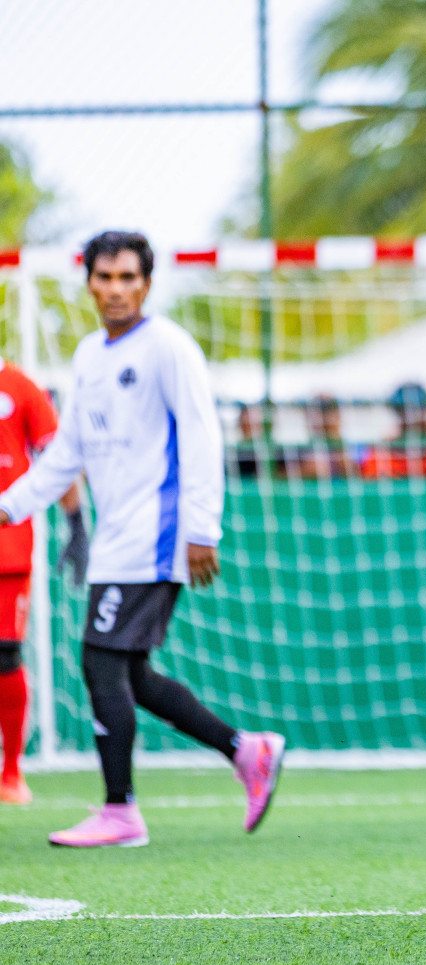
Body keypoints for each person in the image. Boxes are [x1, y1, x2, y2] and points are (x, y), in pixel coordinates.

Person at [0, 231, 284, 847]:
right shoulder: (87, 356)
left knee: (99, 662)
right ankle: (246, 750)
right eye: (105, 277)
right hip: (114, 541)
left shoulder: (169, 349)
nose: (116, 289)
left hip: (157, 539)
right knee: (130, 674)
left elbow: (202, 437)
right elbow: (65, 453)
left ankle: (120, 811)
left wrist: (203, 529)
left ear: (148, 284)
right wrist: (10, 506)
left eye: (129, 277)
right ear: (90, 284)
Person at [0, 362, 88, 806]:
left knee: (4, 654)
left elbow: (60, 459)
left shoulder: (21, 387)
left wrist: (77, 522)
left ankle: (11, 773)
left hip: (7, 545)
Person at [298, 393, 357, 480]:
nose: (323, 418)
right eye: (318, 412)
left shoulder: (353, 448)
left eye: (327, 411)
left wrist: (334, 438)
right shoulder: (301, 451)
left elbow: (355, 474)